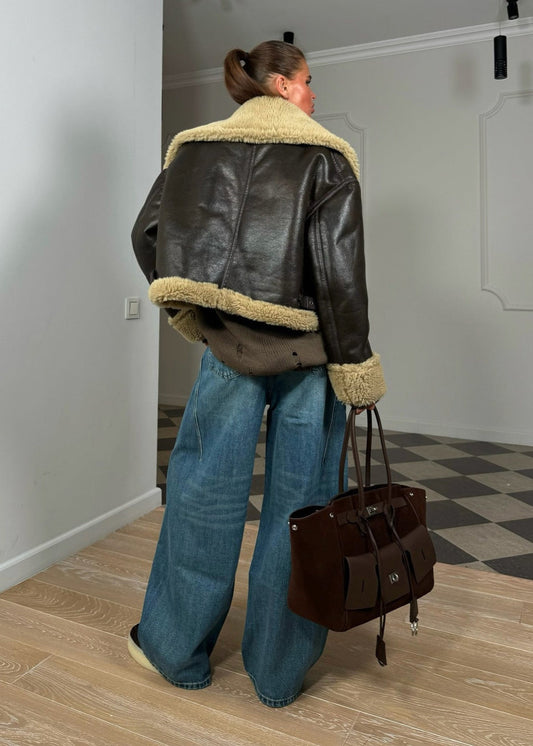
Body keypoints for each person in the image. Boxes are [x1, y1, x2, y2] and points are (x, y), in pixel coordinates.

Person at [128, 40, 386, 708]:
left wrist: (196, 314)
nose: (313, 94)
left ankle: (174, 651)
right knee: (304, 512)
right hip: (309, 360)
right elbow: (339, 276)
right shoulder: (327, 157)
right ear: (282, 83)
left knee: (201, 497)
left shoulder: (193, 150)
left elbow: (147, 235)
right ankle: (277, 673)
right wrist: (356, 364)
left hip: (226, 352)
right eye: (308, 81)